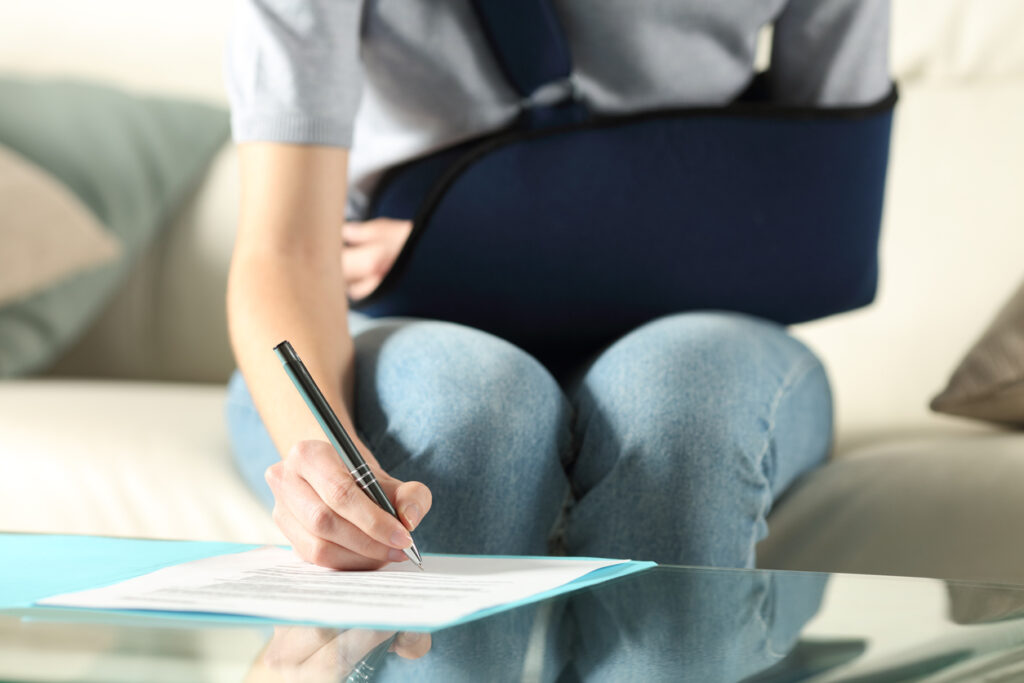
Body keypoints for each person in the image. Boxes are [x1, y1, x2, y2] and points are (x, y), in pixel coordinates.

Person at [224, 0, 891, 570]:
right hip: (406, 323)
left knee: (687, 421)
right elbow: (285, 248)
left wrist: (479, 237)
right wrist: (322, 459)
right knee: (465, 419)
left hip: (708, 322)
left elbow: (824, 227)